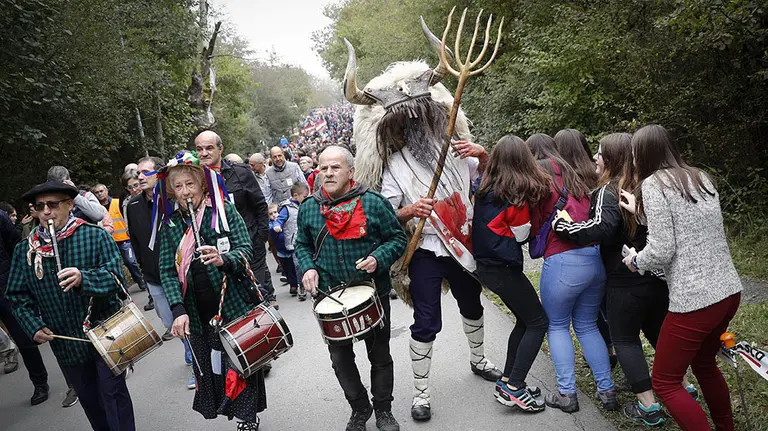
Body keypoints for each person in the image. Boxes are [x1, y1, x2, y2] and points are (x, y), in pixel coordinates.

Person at [344, 33, 502, 421]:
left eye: (420, 117)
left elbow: (492, 183)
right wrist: (410, 210)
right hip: (426, 250)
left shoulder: (456, 149)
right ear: (395, 126)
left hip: (463, 245)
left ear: (432, 114)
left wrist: (483, 155)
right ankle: (421, 393)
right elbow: (384, 212)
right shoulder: (395, 165)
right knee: (426, 321)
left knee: (472, 303)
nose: (415, 125)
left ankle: (479, 360)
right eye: (406, 121)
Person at [620, 125, 742, 431]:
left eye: (634, 154)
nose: (632, 160)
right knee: (704, 363)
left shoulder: (653, 184)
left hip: (695, 298)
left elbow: (662, 249)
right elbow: (686, 224)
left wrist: (636, 261)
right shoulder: (699, 177)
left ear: (643, 154)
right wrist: (639, 212)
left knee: (665, 381)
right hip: (728, 291)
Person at [552, 133, 668, 425]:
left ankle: (649, 406)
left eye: (600, 153)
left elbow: (600, 228)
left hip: (624, 277)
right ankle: (681, 385)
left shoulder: (608, 190)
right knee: (657, 334)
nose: (595, 157)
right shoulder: (644, 186)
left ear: (611, 159)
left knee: (625, 340)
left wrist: (564, 226)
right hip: (654, 275)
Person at [6, 181, 136, 430]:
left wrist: (83, 278)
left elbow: (116, 279)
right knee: (90, 400)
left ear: (69, 204)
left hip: (104, 332)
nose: (46, 211)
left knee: (113, 394)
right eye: (40, 206)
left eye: (53, 204)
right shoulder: (25, 250)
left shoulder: (95, 235)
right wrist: (33, 326)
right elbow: (16, 296)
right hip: (65, 340)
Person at [295, 146, 406, 431]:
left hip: (372, 291)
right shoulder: (308, 207)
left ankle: (384, 411)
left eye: (335, 167)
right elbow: (302, 245)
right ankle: (360, 408)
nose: (329, 173)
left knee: (379, 355)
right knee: (340, 360)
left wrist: (378, 258)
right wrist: (307, 268)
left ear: (351, 171)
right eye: (323, 168)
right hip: (329, 296)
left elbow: (397, 239)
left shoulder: (374, 203)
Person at [156, 152, 265, 431]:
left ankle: (247, 419)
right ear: (172, 191)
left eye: (190, 184)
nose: (185, 192)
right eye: (178, 186)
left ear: (202, 185)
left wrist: (223, 259)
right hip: (196, 312)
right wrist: (178, 310)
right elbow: (167, 271)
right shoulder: (170, 224)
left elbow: (246, 249)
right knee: (212, 368)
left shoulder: (223, 211)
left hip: (232, 304)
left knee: (239, 363)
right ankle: (227, 408)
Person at [526, 133, 616, 413]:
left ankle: (567, 394)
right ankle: (607, 391)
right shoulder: (575, 173)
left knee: (557, 326)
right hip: (593, 260)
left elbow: (533, 221)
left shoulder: (538, 176)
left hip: (562, 261)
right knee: (588, 326)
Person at [472, 135, 550, 412]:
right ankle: (514, 387)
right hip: (503, 267)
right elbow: (521, 235)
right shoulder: (515, 196)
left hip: (486, 267)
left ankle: (508, 380)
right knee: (538, 322)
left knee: (525, 321)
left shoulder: (484, 189)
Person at [126, 156, 195, 388]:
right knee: (169, 320)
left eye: (145, 172)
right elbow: (136, 241)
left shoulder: (174, 200)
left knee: (187, 317)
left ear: (159, 174)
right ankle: (190, 348)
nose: (139, 177)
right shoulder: (133, 206)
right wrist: (144, 269)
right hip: (154, 277)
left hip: (181, 273)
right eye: (138, 173)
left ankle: (197, 363)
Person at [196, 131, 275, 306]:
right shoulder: (195, 179)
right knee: (235, 299)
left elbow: (260, 205)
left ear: (220, 149)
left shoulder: (240, 172)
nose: (204, 153)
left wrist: (261, 237)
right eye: (199, 149)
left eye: (209, 148)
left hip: (250, 244)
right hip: (220, 252)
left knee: (256, 293)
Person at [0, 208, 50, 405]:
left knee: (23, 337)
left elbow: (15, 245)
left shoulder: (0, 218)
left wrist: (17, 279)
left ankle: (40, 382)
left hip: (5, 287)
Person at [92, 184, 148, 294]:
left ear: (107, 190)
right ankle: (122, 288)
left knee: (130, 261)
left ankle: (140, 280)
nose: (100, 194)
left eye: (101, 191)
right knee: (115, 266)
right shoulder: (95, 208)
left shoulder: (118, 203)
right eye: (97, 192)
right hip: (109, 241)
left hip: (124, 239)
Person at [273, 183, 309, 300]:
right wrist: (277, 225)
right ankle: (301, 285)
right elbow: (279, 219)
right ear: (295, 195)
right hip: (294, 242)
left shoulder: (305, 205)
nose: (306, 198)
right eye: (304, 196)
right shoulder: (286, 208)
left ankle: (314, 284)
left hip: (308, 240)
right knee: (298, 265)